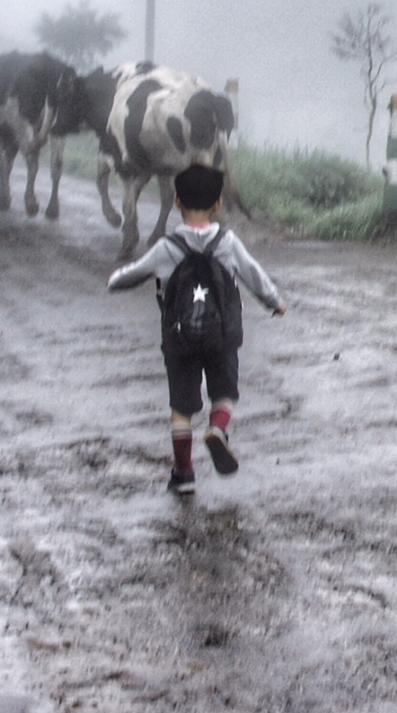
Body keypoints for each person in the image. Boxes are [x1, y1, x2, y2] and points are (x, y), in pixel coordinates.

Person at [108, 163, 284, 495]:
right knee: (225, 393)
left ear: (176, 201)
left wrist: (114, 281)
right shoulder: (227, 242)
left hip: (179, 338)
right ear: (218, 204)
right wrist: (274, 302)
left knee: (182, 408)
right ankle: (218, 429)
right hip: (221, 336)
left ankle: (184, 474)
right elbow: (253, 274)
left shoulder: (167, 247)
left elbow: (134, 273)